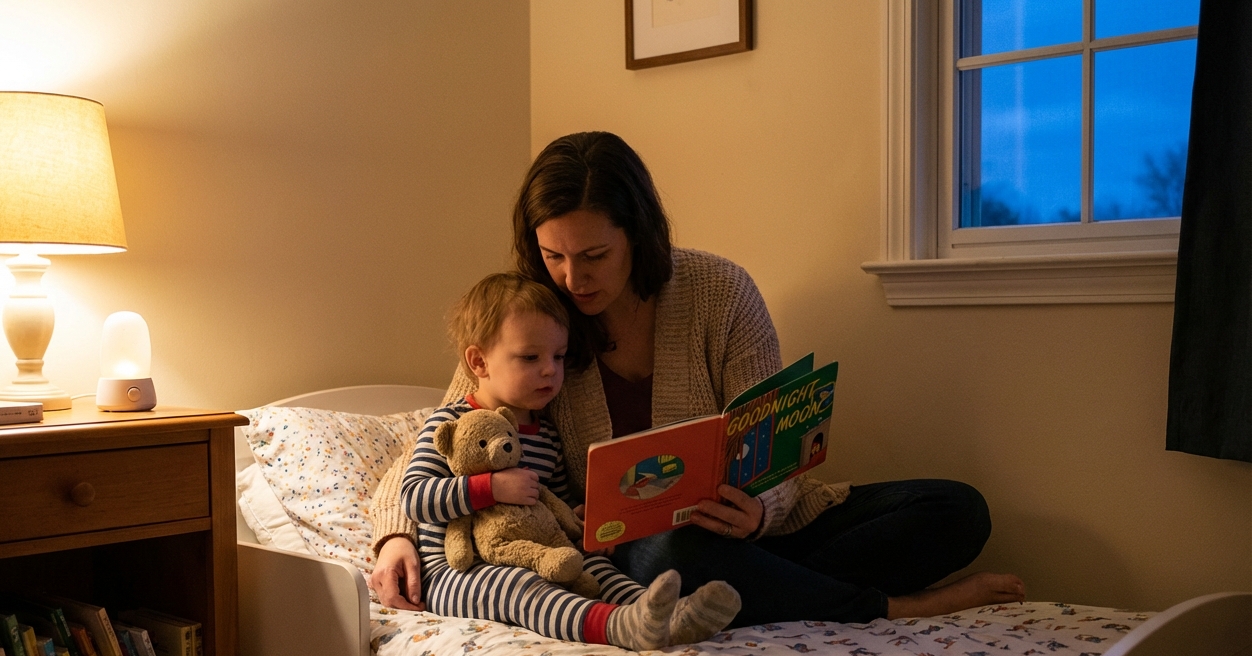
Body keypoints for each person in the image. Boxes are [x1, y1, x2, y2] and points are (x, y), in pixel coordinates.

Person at [370, 131, 1025, 626]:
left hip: (746, 530)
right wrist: (397, 533)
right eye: (554, 256)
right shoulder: (530, 320)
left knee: (956, 510)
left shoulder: (718, 291)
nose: (575, 278)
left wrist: (758, 509)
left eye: (595, 255)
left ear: (640, 234)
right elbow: (448, 435)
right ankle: (890, 608)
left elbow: (775, 449)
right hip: (644, 551)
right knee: (670, 556)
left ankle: (767, 584)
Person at [400, 272, 741, 649]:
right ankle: (615, 627)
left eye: (558, 356)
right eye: (531, 357)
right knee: (520, 587)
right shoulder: (449, 423)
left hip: (539, 552)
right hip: (458, 572)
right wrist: (491, 487)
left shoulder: (545, 433)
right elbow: (415, 497)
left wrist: (584, 523)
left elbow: (557, 500)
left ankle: (665, 615)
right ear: (479, 361)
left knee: (594, 566)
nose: (550, 369)